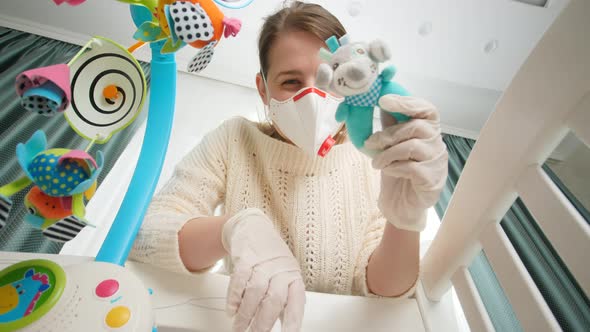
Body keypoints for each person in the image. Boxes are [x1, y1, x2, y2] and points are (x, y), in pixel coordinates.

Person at [129, 1, 448, 331]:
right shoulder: (234, 140)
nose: (312, 97)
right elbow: (143, 236)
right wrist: (234, 229)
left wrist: (405, 220)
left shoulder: (376, 160)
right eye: (291, 82)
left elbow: (387, 290)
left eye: (326, 80)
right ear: (263, 90)